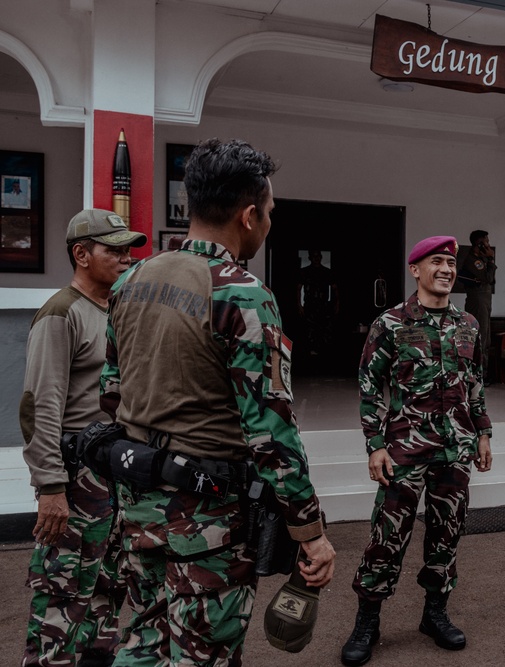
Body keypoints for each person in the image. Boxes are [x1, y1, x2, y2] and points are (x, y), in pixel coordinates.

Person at [99, 138, 336, 665]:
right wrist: (310, 533)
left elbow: (110, 395)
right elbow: (272, 433)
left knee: (141, 641)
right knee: (203, 652)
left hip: (138, 503)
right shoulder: (242, 292)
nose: (270, 223)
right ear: (249, 215)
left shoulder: (130, 281)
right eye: (270, 213)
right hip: (207, 522)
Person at [342, 235, 493, 666]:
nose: (446, 269)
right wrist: (374, 445)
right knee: (386, 538)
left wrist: (483, 432)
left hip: (456, 449)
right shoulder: (389, 323)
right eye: (436, 262)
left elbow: (476, 382)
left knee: (447, 533)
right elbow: (369, 387)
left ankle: (435, 614)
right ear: (416, 270)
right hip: (404, 450)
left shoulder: (468, 324)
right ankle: (367, 621)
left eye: (450, 262)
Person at [19, 209, 145, 667]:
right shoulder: (61, 312)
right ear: (81, 254)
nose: (126, 258)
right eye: (114, 250)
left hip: (114, 473)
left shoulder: (114, 310)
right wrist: (51, 487)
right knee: (60, 602)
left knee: (106, 596)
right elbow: (40, 407)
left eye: (128, 250)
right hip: (75, 479)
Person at [460, 230, 496, 378]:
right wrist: (491, 260)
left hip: (485, 300)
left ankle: (483, 372)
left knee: (486, 338)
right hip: (478, 300)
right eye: (486, 242)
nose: (488, 245)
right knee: (480, 337)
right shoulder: (473, 261)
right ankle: (479, 373)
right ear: (479, 244)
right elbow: (487, 278)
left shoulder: (482, 260)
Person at [296, 249, 340, 359]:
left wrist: (337, 304)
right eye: (314, 256)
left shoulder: (327, 272)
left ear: (321, 257)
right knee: (310, 329)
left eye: (318, 256)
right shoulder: (305, 272)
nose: (316, 259)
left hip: (324, 304)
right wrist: (299, 305)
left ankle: (324, 352)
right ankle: (311, 351)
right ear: (310, 258)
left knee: (325, 329)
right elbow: (298, 289)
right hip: (310, 304)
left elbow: (335, 289)